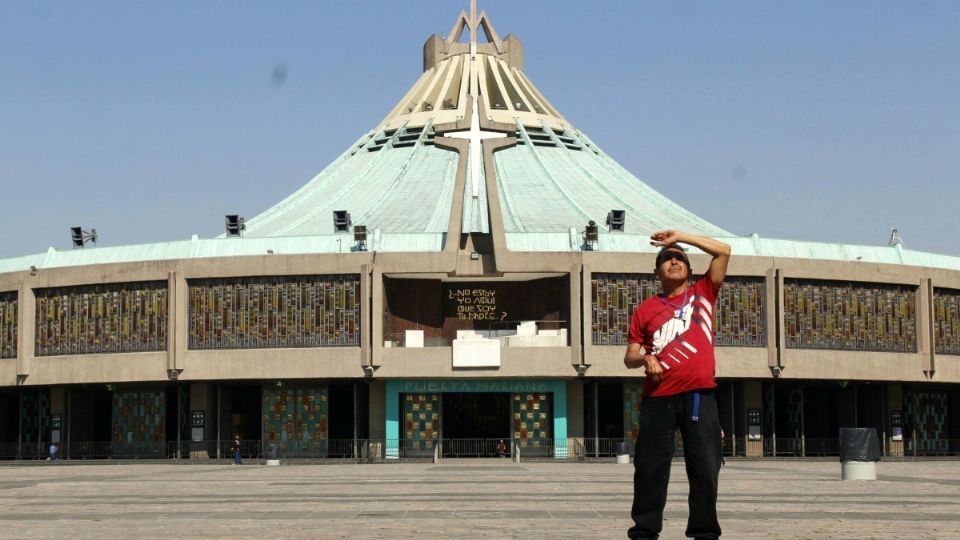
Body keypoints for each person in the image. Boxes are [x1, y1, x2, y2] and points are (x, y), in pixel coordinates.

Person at [624, 229, 730, 540]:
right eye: (667, 258)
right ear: (657, 272)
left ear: (690, 268)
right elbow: (629, 355)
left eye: (679, 257)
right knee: (650, 469)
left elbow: (723, 250)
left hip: (700, 395)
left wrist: (680, 237)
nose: (673, 260)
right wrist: (645, 357)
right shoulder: (645, 309)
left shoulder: (703, 293)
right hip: (659, 398)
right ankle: (644, 531)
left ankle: (704, 532)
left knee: (705, 468)